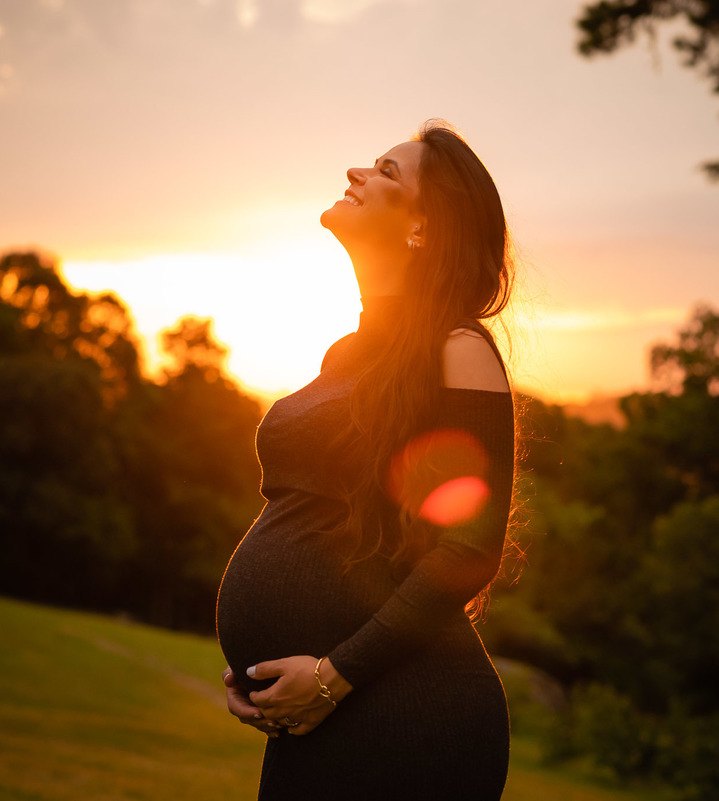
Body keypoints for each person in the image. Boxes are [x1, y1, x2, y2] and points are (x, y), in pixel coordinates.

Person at [215, 119, 519, 800]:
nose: (356, 173)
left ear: (424, 229)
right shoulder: (345, 358)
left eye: (386, 172)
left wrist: (334, 675)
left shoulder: (457, 347)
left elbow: (470, 547)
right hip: (322, 713)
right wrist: (258, 670)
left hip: (410, 715)